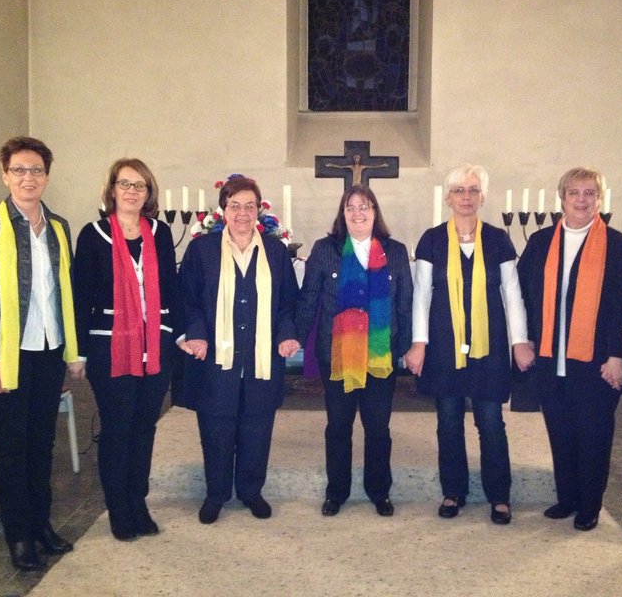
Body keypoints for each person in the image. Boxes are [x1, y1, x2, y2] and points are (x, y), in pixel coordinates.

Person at [0, 136, 82, 571]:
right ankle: (18, 536)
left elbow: (65, 293)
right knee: (13, 447)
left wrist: (74, 351)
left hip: (49, 349)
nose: (27, 178)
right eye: (19, 170)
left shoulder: (59, 227)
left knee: (43, 442)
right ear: (5, 175)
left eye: (36, 170)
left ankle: (41, 525)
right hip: (9, 354)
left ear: (46, 176)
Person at [405, 164, 533, 524]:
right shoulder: (432, 239)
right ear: (448, 197)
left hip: (489, 345)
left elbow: (512, 295)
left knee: (490, 421)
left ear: (482, 197)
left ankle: (500, 495)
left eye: (473, 190)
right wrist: (419, 343)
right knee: (448, 421)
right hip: (444, 343)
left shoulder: (498, 239)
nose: (466, 196)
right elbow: (421, 296)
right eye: (459, 190)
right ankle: (453, 491)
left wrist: (520, 342)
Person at [517, 167, 622, 532]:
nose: (581, 200)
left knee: (594, 435)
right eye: (574, 192)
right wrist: (525, 339)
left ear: (599, 199)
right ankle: (566, 498)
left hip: (596, 362)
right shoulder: (540, 242)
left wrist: (617, 355)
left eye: (589, 193)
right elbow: (522, 294)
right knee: (560, 432)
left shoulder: (616, 243)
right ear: (562, 198)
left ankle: (589, 505)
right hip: (550, 359)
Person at [73, 158, 182, 541]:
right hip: (110, 346)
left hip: (155, 345)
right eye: (125, 184)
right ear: (112, 190)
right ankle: (119, 508)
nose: (132, 191)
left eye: (140, 185)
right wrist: (79, 352)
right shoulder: (93, 234)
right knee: (118, 428)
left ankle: (138, 501)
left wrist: (179, 334)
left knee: (144, 428)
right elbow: (80, 296)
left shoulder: (160, 232)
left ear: (149, 192)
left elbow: (170, 287)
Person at [180, 176, 300, 524]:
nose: (243, 213)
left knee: (257, 429)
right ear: (223, 210)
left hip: (262, 358)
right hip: (216, 358)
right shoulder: (202, 251)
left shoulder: (276, 252)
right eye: (235, 206)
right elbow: (188, 299)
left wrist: (287, 334)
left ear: (259, 211)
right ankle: (216, 494)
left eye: (250, 206)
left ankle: (251, 491)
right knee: (216, 429)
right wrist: (196, 335)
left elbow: (288, 303)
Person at [296, 184, 412, 517]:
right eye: (351, 207)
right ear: (342, 213)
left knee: (378, 428)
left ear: (375, 212)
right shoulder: (325, 249)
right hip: (338, 353)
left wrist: (407, 347)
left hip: (379, 354)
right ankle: (337, 492)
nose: (358, 213)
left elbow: (405, 302)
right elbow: (309, 297)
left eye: (364, 207)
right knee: (338, 426)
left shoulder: (396, 251)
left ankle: (379, 491)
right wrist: (295, 338)